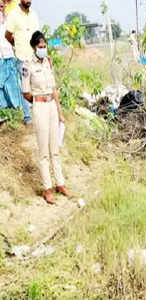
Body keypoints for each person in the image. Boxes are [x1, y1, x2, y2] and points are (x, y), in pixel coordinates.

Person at [22, 31, 69, 204]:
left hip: (51, 106)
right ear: (34, 47)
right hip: (40, 106)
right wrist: (37, 101)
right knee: (44, 152)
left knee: (55, 149)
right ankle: (47, 189)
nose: (43, 49)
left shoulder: (48, 62)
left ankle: (60, 184)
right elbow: (26, 92)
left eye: (44, 46)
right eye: (40, 47)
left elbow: (54, 90)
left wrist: (60, 113)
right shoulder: (28, 66)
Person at [5, 0, 39, 125]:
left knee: (35, 85)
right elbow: (7, 35)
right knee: (25, 87)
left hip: (34, 57)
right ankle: (27, 117)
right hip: (21, 57)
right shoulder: (14, 15)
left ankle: (37, 113)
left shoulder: (34, 15)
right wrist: (16, 45)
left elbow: (37, 36)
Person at [0, 0, 23, 109]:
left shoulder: (10, 19)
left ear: (5, 5)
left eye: (2, 5)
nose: (1, 7)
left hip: (10, 55)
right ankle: (4, 108)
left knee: (12, 83)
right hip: (0, 56)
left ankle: (16, 108)